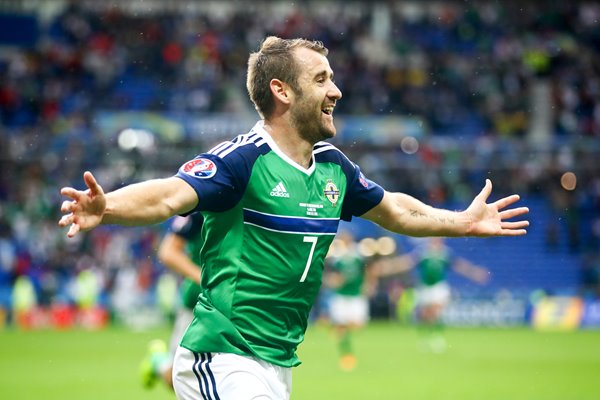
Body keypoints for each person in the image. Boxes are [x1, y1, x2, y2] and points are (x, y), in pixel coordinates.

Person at [58, 36, 529, 400]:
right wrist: (108, 206)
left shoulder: (333, 167)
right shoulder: (242, 160)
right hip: (222, 353)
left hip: (277, 362)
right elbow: (168, 196)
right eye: (322, 79)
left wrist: (461, 222)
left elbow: (394, 210)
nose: (337, 90)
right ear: (282, 91)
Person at [375, 237, 490, 353]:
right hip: (425, 287)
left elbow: (459, 266)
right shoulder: (423, 252)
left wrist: (474, 272)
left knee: (435, 311)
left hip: (438, 287)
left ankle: (437, 338)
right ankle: (425, 338)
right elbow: (407, 262)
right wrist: (388, 267)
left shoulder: (445, 253)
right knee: (425, 316)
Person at [139, 213, 204, 391]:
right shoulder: (201, 206)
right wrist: (203, 279)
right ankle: (159, 360)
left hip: (231, 302)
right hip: (198, 303)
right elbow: (168, 252)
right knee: (177, 381)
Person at [323, 230, 375, 371]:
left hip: (356, 295)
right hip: (341, 296)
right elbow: (331, 276)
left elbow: (368, 270)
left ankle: (337, 329)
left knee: (357, 325)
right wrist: (335, 281)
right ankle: (347, 356)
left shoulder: (359, 255)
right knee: (341, 326)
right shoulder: (337, 258)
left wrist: (369, 284)